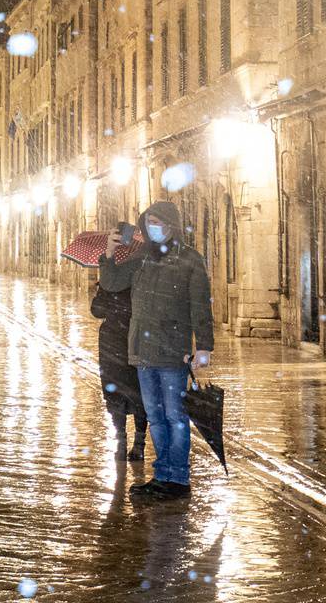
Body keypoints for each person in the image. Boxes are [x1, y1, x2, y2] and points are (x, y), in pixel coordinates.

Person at [99, 200, 214, 502]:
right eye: (149, 222)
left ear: (171, 226)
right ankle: (162, 474)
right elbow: (111, 283)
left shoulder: (190, 260)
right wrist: (109, 254)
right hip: (141, 350)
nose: (153, 228)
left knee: (175, 416)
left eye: (159, 222)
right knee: (155, 416)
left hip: (173, 351)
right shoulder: (141, 258)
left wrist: (203, 346)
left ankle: (178, 478)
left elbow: (200, 305)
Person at [91, 280, 148, 461]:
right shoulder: (142, 278)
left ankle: (121, 442)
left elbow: (97, 311)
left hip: (112, 343)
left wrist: (101, 291)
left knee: (115, 394)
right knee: (139, 393)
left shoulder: (110, 282)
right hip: (138, 340)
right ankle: (139, 444)